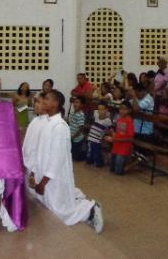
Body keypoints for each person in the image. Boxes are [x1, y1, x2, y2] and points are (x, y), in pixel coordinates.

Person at [33, 90, 104, 232]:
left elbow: (56, 159)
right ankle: (77, 199)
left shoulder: (59, 127)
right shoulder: (47, 122)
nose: (43, 101)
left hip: (54, 176)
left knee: (60, 211)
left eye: (46, 99)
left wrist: (43, 181)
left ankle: (90, 209)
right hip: (44, 173)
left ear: (56, 103)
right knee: (49, 203)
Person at [22, 96, 48, 195]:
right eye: (35, 102)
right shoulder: (35, 120)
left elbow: (42, 151)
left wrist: (33, 171)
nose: (35, 104)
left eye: (38, 102)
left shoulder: (47, 123)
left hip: (37, 165)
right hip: (28, 161)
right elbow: (27, 143)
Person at [105, 101, 134, 175]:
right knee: (112, 166)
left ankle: (127, 167)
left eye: (124, 109)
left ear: (129, 110)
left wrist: (114, 139)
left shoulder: (129, 121)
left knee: (118, 169)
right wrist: (111, 134)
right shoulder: (119, 119)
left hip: (123, 146)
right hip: (116, 144)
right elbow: (117, 133)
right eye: (121, 108)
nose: (122, 111)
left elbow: (130, 138)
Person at [86, 102, 112, 167]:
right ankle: (90, 159)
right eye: (99, 109)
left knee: (97, 156)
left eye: (103, 109)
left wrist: (105, 137)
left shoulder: (107, 121)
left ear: (106, 110)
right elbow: (94, 111)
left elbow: (110, 130)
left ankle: (101, 162)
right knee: (89, 155)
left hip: (97, 141)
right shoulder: (96, 115)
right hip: (90, 138)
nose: (100, 111)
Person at [68, 96, 86, 161]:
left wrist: (73, 136)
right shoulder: (72, 113)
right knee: (72, 153)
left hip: (77, 139)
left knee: (77, 157)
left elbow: (81, 128)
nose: (75, 104)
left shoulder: (81, 114)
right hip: (72, 137)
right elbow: (71, 123)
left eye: (77, 102)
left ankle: (84, 156)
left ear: (82, 105)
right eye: (74, 102)